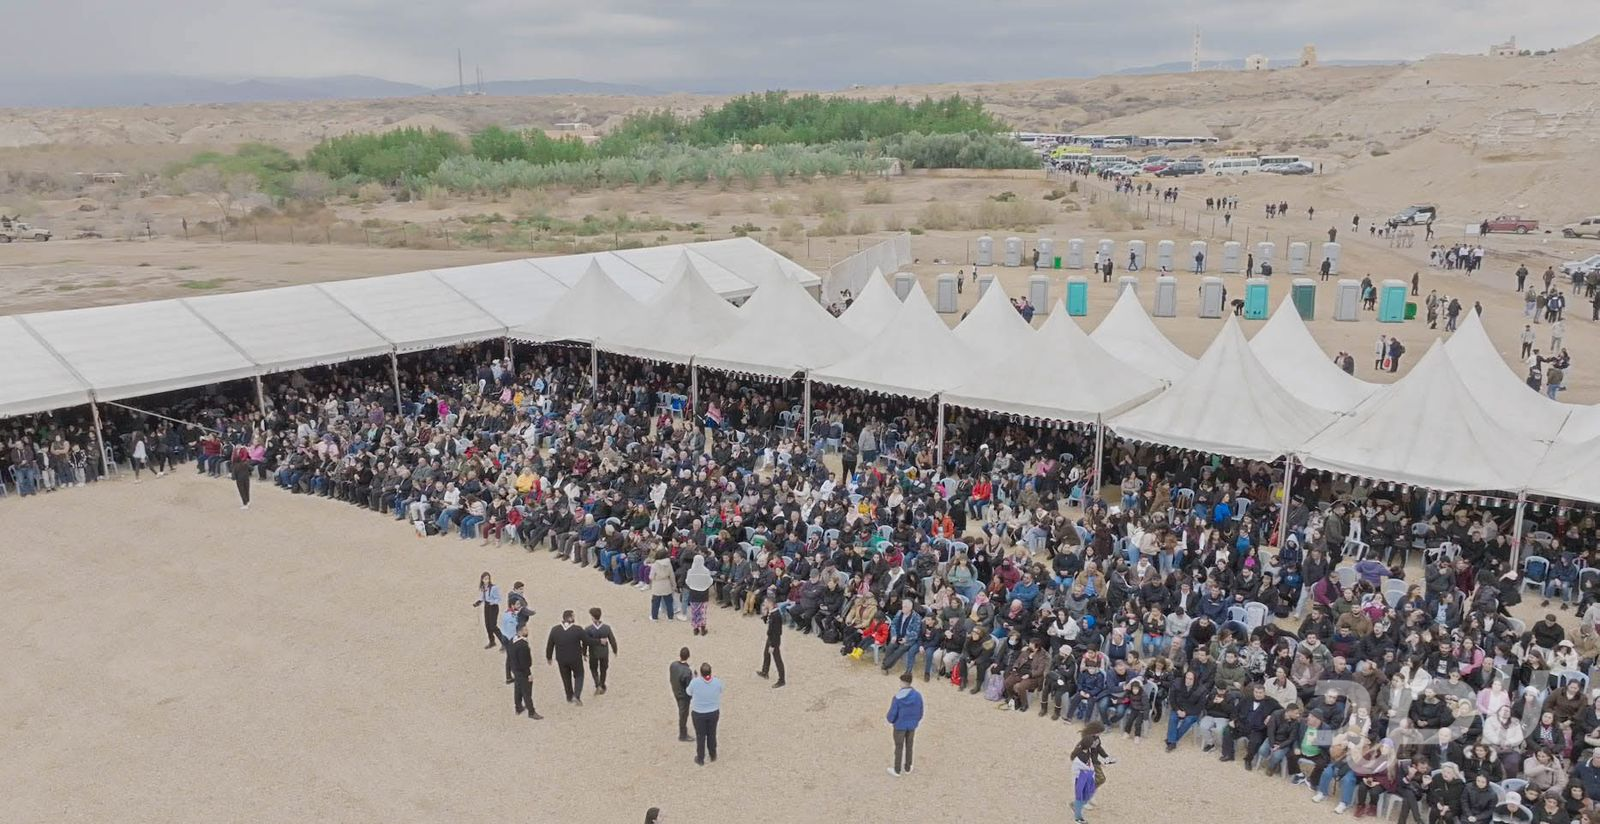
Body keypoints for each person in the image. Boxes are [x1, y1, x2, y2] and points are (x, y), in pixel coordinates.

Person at [546, 609, 588, 705]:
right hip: (575, 658)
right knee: (579, 675)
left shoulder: (555, 629)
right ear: (569, 618)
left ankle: (569, 696)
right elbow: (586, 641)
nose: (574, 618)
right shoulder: (577, 629)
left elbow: (550, 644)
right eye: (573, 616)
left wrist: (549, 657)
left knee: (566, 677)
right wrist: (585, 651)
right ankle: (577, 695)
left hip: (561, 659)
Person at [886, 670, 924, 777]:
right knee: (909, 745)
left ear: (903, 682)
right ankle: (908, 767)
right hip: (911, 726)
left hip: (899, 726)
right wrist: (915, 721)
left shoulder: (897, 698)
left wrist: (891, 720)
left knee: (899, 747)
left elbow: (892, 715)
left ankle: (897, 769)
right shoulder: (917, 695)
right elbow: (920, 711)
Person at [686, 662, 723, 766]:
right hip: (713, 712)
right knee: (712, 734)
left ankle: (700, 758)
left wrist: (694, 679)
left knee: (700, 736)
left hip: (699, 713)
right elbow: (721, 690)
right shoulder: (717, 681)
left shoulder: (695, 682)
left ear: (701, 673)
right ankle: (713, 754)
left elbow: (688, 692)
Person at [509, 623, 542, 719]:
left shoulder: (512, 640)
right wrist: (529, 674)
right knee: (526, 691)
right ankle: (531, 712)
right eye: (525, 630)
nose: (527, 631)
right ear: (520, 632)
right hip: (522, 671)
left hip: (515, 668)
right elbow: (524, 662)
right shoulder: (522, 645)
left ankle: (518, 707)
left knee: (518, 688)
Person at [585, 607, 618, 695]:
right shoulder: (606, 628)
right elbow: (612, 640)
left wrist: (584, 653)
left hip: (593, 653)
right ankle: (602, 684)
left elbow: (585, 642)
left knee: (593, 668)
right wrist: (615, 650)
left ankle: (597, 684)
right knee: (603, 669)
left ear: (593, 617)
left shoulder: (588, 629)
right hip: (604, 653)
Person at [756, 594, 787, 688]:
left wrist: (772, 645)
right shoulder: (771, 612)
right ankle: (765, 672)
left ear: (770, 603)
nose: (764, 604)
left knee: (777, 659)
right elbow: (767, 622)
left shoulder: (776, 615)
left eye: (765, 602)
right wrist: (765, 615)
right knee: (766, 654)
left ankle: (782, 680)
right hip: (770, 637)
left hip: (774, 640)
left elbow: (777, 632)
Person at [472, 572, 502, 650]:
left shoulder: (494, 588)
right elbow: (482, 597)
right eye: (485, 579)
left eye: (488, 578)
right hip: (487, 607)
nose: (487, 580)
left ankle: (504, 642)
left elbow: (499, 599)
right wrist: (478, 602)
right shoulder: (483, 588)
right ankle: (492, 642)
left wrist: (492, 602)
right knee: (487, 625)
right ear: (482, 579)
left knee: (493, 626)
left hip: (493, 607)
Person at [669, 646, 694, 742]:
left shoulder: (673, 665)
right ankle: (682, 735)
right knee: (683, 715)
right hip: (683, 696)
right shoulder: (687, 671)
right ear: (688, 656)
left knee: (682, 712)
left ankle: (683, 732)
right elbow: (689, 687)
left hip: (676, 690)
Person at [685, 554, 713, 636]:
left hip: (693, 593)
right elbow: (710, 581)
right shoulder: (706, 571)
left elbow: (687, 582)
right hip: (704, 594)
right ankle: (703, 629)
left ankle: (695, 629)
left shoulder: (690, 571)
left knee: (694, 612)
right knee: (702, 612)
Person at [230, 445, 253, 509]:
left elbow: (233, 476)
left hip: (239, 479)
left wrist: (233, 477)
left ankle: (245, 503)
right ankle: (248, 501)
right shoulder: (245, 464)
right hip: (246, 477)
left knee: (242, 491)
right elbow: (252, 468)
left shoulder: (235, 466)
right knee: (247, 489)